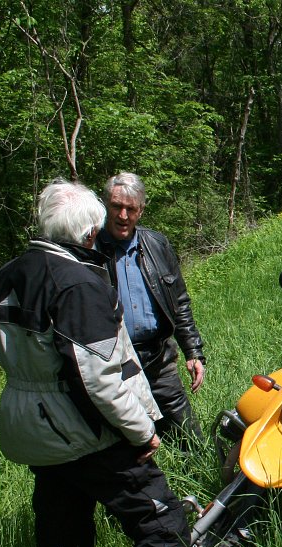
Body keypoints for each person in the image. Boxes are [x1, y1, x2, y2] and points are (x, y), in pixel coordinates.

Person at [0, 179, 189, 547]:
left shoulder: (5, 277)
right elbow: (96, 379)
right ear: (89, 231)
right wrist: (142, 433)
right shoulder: (76, 283)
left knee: (61, 533)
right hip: (86, 431)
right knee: (162, 525)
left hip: (36, 431)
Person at [98, 172, 206, 452]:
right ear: (105, 205)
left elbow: (179, 301)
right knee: (127, 444)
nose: (123, 215)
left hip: (159, 358)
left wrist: (193, 352)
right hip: (114, 363)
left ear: (141, 210)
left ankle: (212, 483)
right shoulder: (90, 249)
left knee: (190, 437)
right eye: (116, 207)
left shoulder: (156, 245)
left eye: (131, 209)